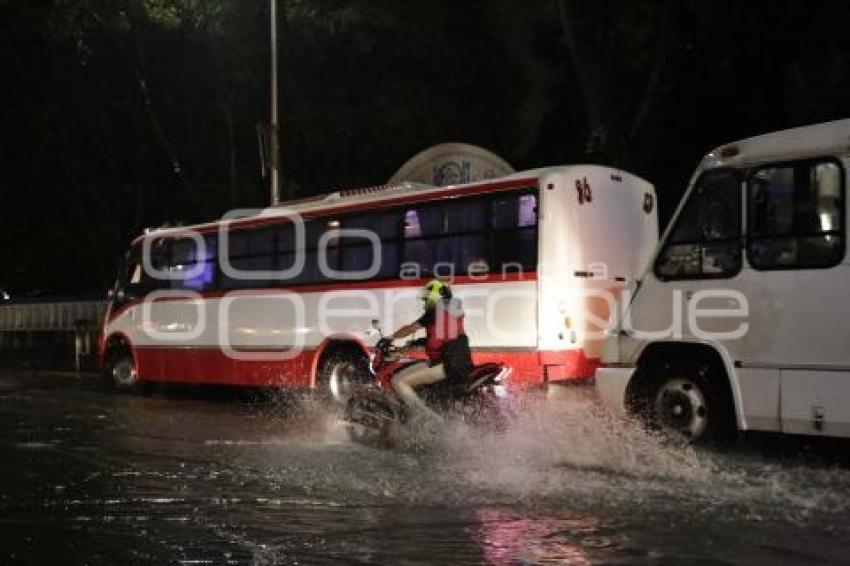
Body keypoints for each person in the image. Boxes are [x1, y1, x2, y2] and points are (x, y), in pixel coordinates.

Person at [380, 279, 473, 422]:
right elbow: (444, 338)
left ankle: (425, 418)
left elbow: (410, 328)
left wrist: (390, 338)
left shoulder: (437, 310)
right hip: (462, 363)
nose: (425, 303)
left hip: (447, 364)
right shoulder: (454, 310)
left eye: (427, 298)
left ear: (435, 295)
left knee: (398, 381)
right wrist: (412, 344)